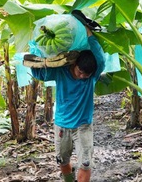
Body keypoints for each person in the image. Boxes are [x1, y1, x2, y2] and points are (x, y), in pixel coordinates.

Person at [31, 22, 105, 182]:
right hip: (62, 125)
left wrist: (87, 30)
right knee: (62, 161)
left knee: (85, 163)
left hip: (83, 126)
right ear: (74, 64)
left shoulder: (92, 76)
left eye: (87, 74)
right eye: (80, 72)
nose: (83, 76)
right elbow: (40, 74)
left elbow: (100, 56)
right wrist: (35, 53)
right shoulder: (60, 71)